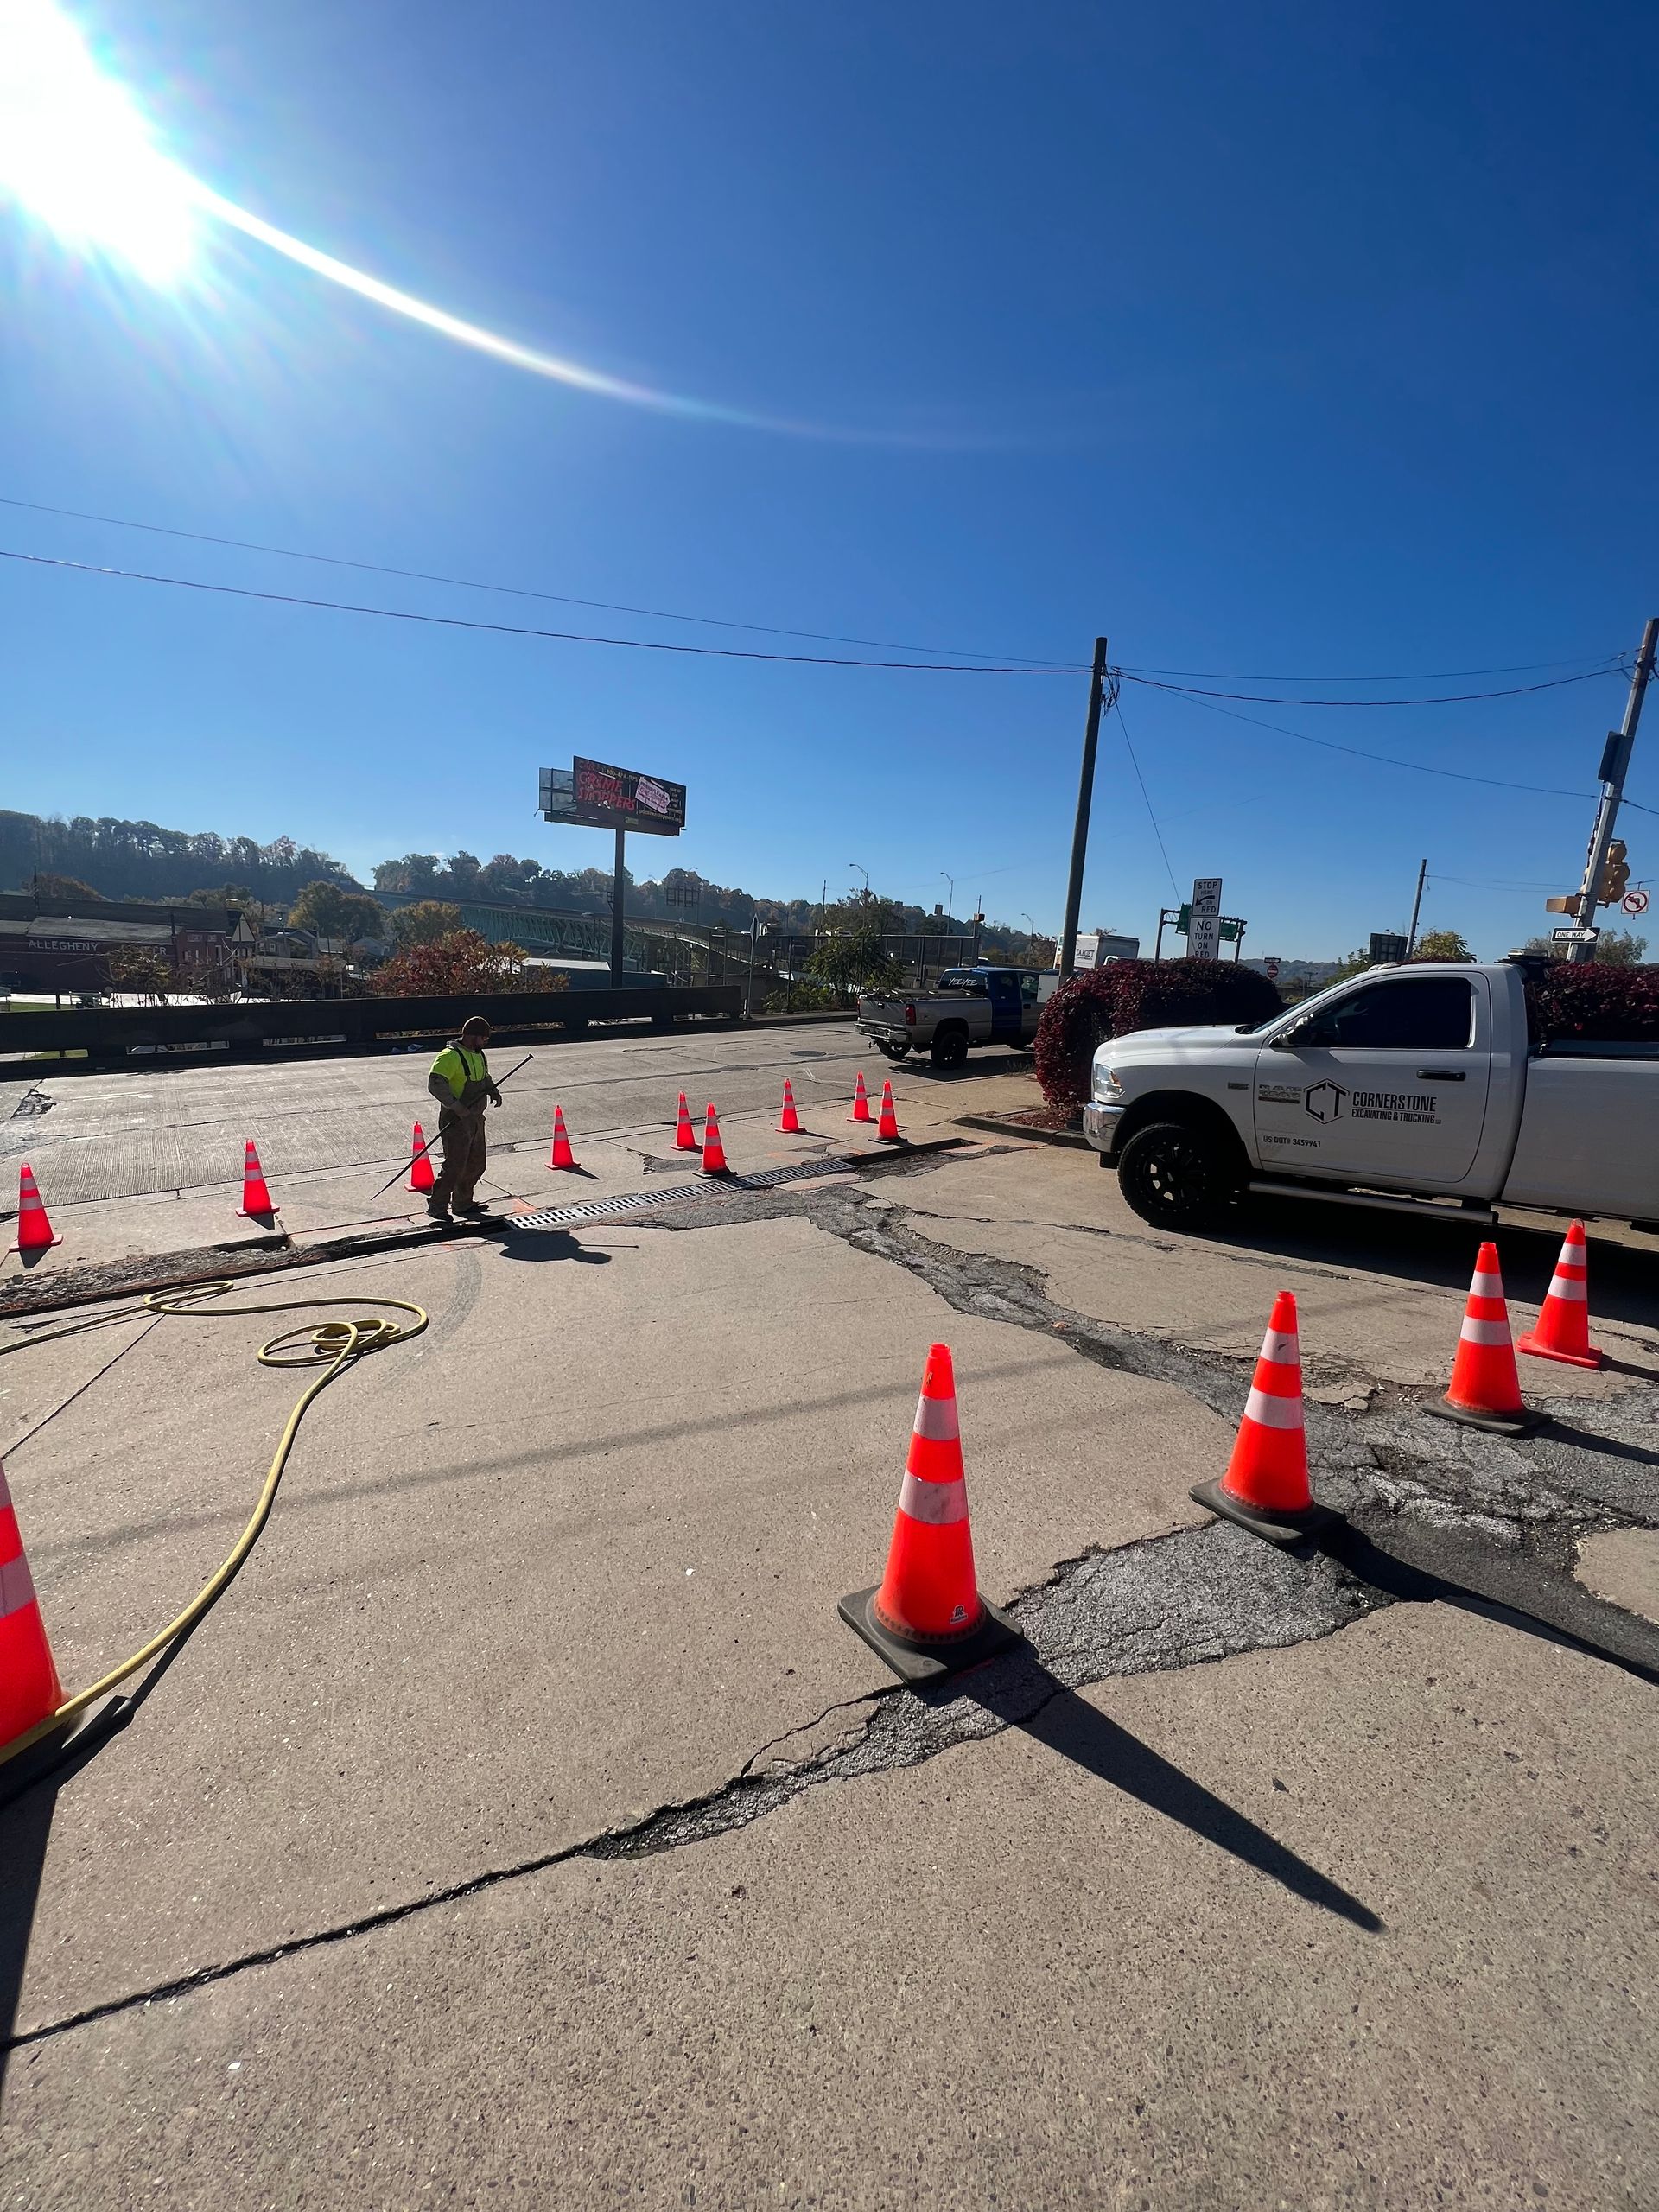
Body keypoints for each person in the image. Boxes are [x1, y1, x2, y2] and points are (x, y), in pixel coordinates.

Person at [425, 1014, 503, 1222]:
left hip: (476, 1118)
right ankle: (437, 1205)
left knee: (477, 1163)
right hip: (456, 1119)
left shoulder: (478, 1054)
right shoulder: (450, 1056)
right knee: (455, 1164)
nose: (486, 1042)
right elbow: (435, 1083)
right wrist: (456, 1107)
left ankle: (463, 1203)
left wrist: (493, 1091)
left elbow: (484, 1078)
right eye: (484, 1038)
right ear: (472, 1036)